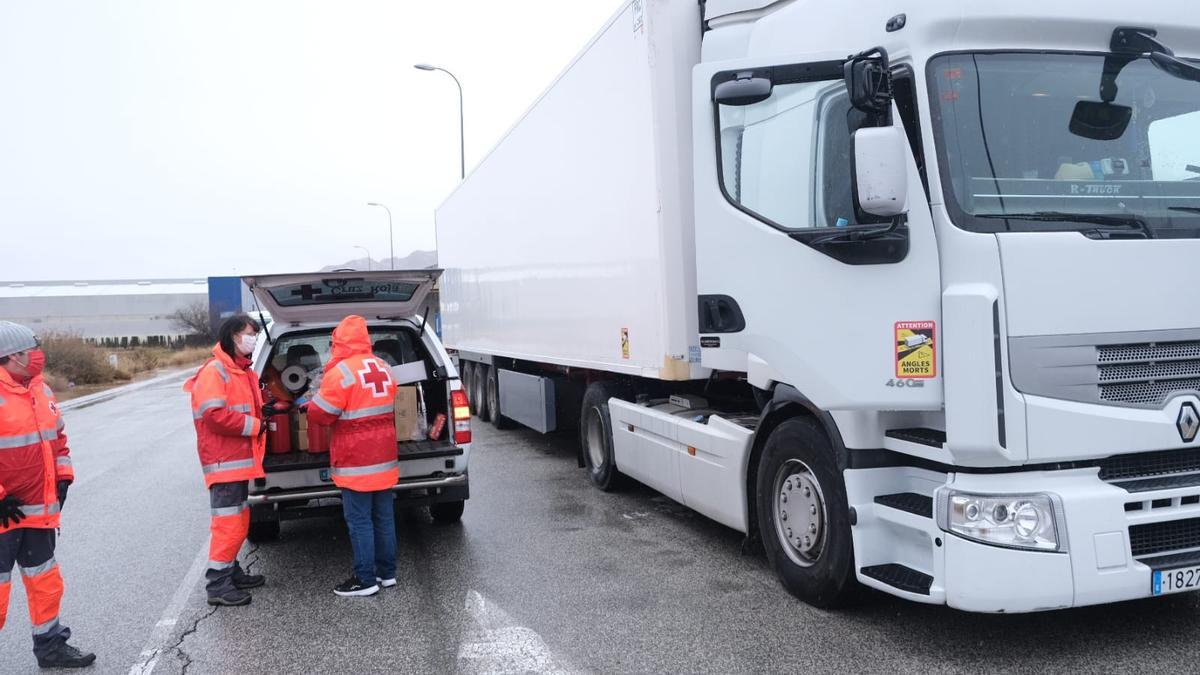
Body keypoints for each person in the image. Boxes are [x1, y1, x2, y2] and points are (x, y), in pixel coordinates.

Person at [0, 321, 96, 668]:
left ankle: (51, 647)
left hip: (38, 510)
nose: (38, 357)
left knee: (45, 583)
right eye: (32, 351)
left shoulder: (41, 390)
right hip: (3, 514)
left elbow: (58, 439)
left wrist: (64, 475)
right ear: (11, 356)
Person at [305, 315, 399, 597]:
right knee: (384, 517)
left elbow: (321, 414)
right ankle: (387, 574)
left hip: (357, 460)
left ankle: (365, 579)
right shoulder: (383, 366)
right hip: (384, 456)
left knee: (360, 521)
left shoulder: (341, 373)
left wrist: (310, 405)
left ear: (339, 342)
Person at [184, 314, 270, 606]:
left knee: (239, 520)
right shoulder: (216, 371)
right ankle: (218, 585)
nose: (253, 339)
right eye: (250, 333)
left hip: (236, 461)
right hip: (224, 462)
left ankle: (230, 571)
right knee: (228, 525)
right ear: (233, 335)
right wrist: (255, 426)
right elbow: (215, 415)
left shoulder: (239, 370)